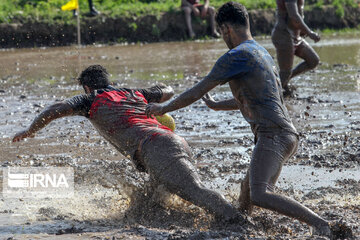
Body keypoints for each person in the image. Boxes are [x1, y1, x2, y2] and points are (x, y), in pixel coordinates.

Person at [145, 2, 339, 238]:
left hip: (273, 135)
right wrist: (217, 105)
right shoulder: (261, 52)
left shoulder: (235, 56)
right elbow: (257, 98)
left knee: (260, 193)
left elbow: (197, 90)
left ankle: (320, 224)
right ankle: (240, 226)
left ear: (226, 28)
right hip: (282, 134)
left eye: (220, 33)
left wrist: (163, 106)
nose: (222, 37)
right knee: (247, 191)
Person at [12, 65, 244, 223]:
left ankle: (239, 222)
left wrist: (29, 130)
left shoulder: (90, 99)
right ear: (109, 82)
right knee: (145, 205)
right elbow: (167, 91)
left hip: (157, 147)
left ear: (86, 87)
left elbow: (55, 109)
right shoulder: (135, 92)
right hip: (170, 144)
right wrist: (157, 90)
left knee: (195, 191)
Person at [272, 0, 320, 97]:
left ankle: (284, 84)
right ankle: (269, 97)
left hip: (296, 36)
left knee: (313, 60)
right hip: (284, 35)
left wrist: (302, 31)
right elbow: (294, 16)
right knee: (285, 72)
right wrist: (309, 32)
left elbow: (298, 14)